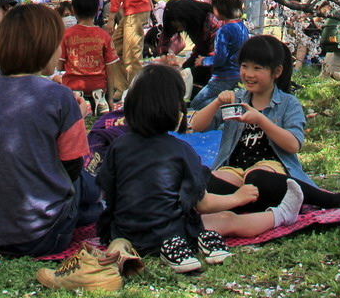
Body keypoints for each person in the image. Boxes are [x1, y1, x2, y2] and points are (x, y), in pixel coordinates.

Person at [97, 65, 297, 273]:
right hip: (168, 236)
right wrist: (238, 197)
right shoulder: (181, 151)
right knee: (227, 219)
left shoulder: (117, 147)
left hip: (123, 232)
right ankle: (281, 215)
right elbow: (204, 204)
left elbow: (107, 192)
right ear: (174, 109)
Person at [0, 2, 100, 256]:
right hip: (42, 234)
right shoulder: (59, 97)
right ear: (45, 47)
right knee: (90, 190)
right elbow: (71, 168)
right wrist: (76, 119)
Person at [190, 35, 340, 226]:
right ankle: (249, 204)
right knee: (202, 179)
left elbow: (293, 145)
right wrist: (217, 102)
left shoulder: (288, 103)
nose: (249, 74)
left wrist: (260, 119)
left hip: (269, 168)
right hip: (234, 169)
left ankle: (322, 198)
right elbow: (197, 127)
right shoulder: (236, 99)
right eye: (244, 66)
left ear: (277, 72)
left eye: (257, 68)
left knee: (257, 178)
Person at [59, 0, 119, 114]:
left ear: (73, 10)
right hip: (98, 88)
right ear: (97, 10)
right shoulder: (104, 36)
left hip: (72, 88)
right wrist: (110, 99)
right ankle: (100, 102)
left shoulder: (66, 35)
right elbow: (110, 70)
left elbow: (59, 66)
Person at [189, 0, 249, 108]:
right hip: (237, 74)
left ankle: (230, 103)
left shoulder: (224, 30)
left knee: (196, 104)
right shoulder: (242, 27)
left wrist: (204, 61)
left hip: (223, 76)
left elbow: (221, 58)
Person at [160, 0, 223, 92]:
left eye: (177, 25)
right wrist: (163, 54)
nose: (178, 29)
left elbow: (216, 56)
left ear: (186, 18)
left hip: (216, 63)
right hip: (201, 55)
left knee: (187, 77)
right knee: (184, 71)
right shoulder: (189, 23)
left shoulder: (211, 22)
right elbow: (166, 34)